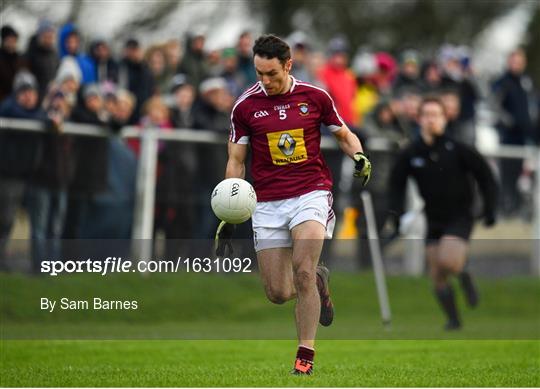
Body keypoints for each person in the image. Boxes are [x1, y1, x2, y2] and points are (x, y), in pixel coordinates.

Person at [215, 34, 371, 375]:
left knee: (301, 267)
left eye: (271, 73)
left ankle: (305, 358)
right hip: (268, 203)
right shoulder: (244, 107)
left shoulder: (315, 97)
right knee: (278, 292)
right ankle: (318, 279)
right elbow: (236, 161)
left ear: (288, 65)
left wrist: (358, 155)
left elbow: (344, 135)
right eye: (259, 73)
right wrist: (229, 209)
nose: (265, 81)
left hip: (310, 193)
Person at [388, 96, 498, 330]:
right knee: (436, 274)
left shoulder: (458, 149)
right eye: (426, 115)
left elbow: (485, 176)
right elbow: (395, 184)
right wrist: (396, 215)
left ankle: (464, 273)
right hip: (433, 216)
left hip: (460, 214)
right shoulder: (412, 152)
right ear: (419, 119)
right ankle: (454, 320)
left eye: (436, 115)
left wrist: (490, 208)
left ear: (444, 119)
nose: (431, 120)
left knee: (447, 260)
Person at [0, 25, 25, 102]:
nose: (12, 43)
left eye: (14, 40)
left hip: (17, 99)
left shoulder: (20, 59)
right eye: (9, 40)